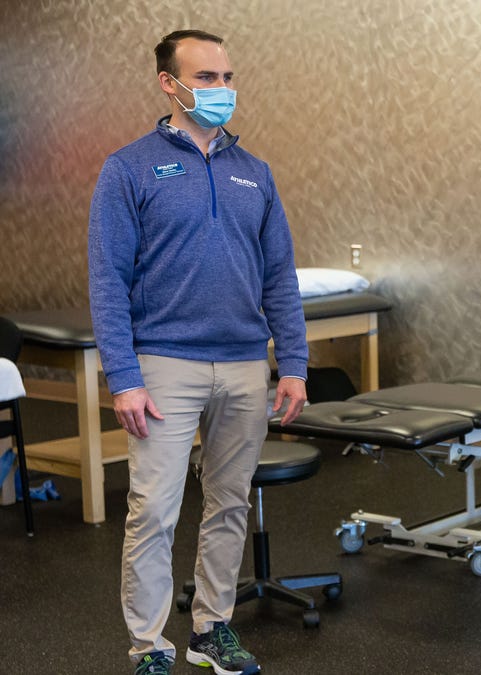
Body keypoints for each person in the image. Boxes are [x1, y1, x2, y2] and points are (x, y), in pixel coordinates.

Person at [88, 29, 308, 675]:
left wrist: (292, 361)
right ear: (169, 82)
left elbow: (280, 276)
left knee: (229, 502)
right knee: (154, 509)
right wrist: (123, 378)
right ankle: (150, 647)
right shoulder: (128, 168)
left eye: (226, 77)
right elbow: (107, 280)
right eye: (205, 78)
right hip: (164, 363)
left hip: (244, 362)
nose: (220, 89)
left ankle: (212, 629)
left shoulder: (255, 172)